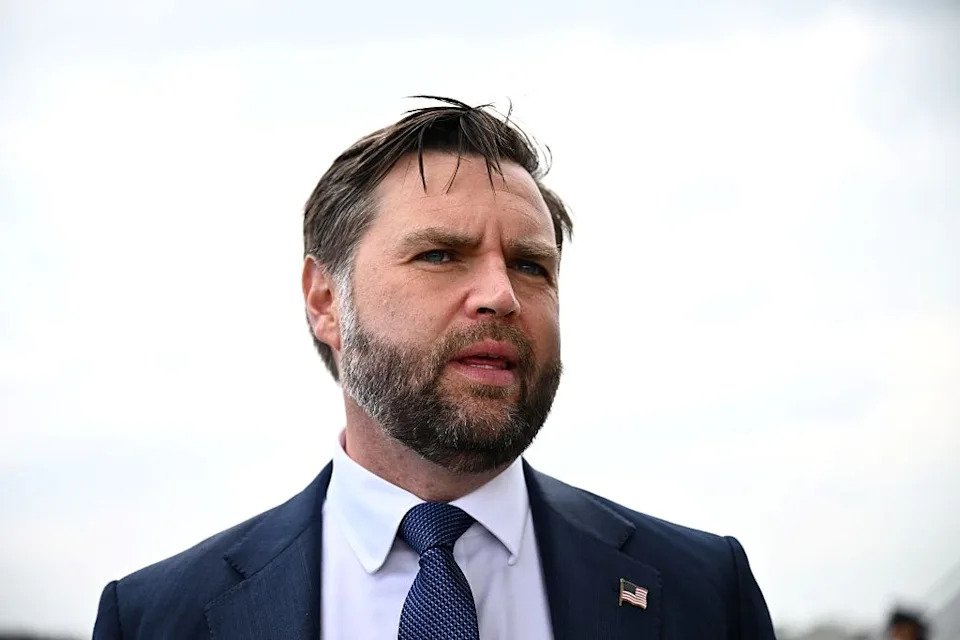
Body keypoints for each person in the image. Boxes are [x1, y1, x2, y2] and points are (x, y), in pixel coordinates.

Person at [93, 96, 776, 639]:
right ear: (325, 301)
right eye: (441, 255)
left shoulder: (705, 592)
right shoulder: (157, 618)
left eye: (530, 265)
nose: (502, 295)